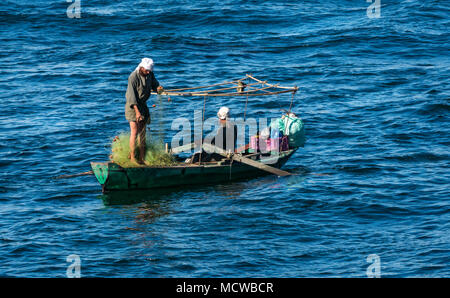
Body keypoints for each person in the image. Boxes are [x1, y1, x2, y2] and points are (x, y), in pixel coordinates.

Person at [125, 58, 164, 164]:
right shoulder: (133, 77)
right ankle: (133, 157)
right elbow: (131, 97)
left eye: (149, 71)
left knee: (142, 133)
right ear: (141, 68)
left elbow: (155, 85)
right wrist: (137, 112)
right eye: (146, 70)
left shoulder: (149, 74)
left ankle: (142, 158)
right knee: (135, 132)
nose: (148, 72)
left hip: (143, 106)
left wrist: (158, 88)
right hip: (133, 107)